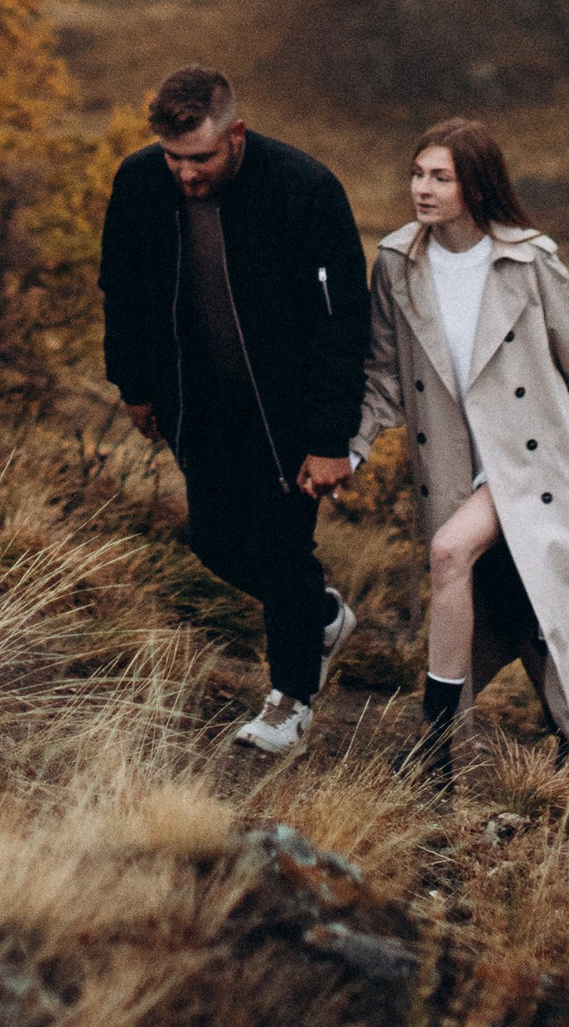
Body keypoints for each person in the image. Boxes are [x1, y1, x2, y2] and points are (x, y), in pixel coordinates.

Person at [350, 117, 569, 779]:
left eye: (440, 177)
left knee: (450, 555)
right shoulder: (398, 261)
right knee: (516, 611)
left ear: (476, 186)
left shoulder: (529, 259)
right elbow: (383, 375)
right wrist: (354, 446)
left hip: (532, 461)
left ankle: (434, 749)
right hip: (452, 464)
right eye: (418, 174)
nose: (422, 189)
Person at [99, 61, 370, 760]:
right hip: (200, 402)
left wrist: (329, 437)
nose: (185, 174)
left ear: (237, 134)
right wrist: (134, 385)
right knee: (215, 542)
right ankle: (319, 618)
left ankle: (290, 703)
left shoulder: (305, 191)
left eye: (200, 158)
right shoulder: (138, 183)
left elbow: (342, 325)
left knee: (282, 549)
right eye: (173, 158)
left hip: (288, 414)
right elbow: (122, 291)